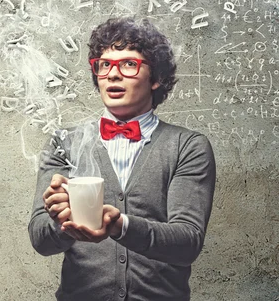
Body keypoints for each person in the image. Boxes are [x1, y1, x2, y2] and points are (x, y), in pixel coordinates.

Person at [28, 17, 216, 300]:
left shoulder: (187, 146)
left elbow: (187, 243)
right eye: (104, 65)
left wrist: (121, 226)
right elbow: (41, 241)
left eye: (128, 64)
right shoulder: (64, 143)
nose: (112, 75)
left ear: (157, 78)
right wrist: (60, 221)